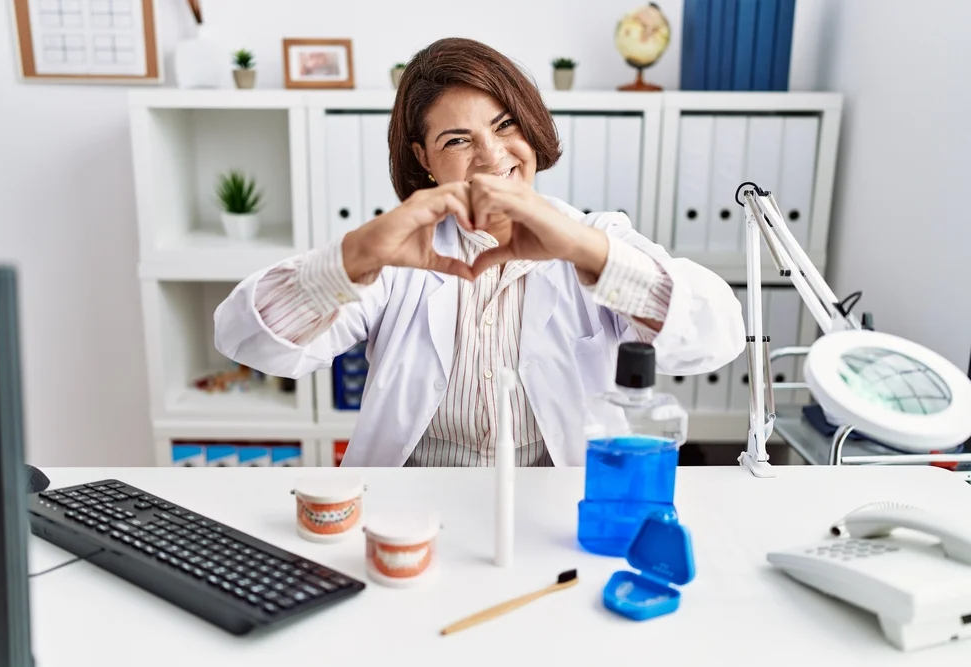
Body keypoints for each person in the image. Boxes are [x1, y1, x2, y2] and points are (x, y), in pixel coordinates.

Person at [214, 37, 745, 467]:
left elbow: (715, 337)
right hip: (415, 505)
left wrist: (587, 253)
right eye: (457, 140)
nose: (492, 157)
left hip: (556, 506)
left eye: (505, 125)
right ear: (424, 159)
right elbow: (249, 341)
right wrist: (352, 257)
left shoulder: (594, 236)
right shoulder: (400, 255)